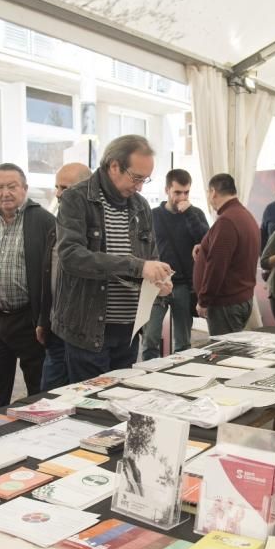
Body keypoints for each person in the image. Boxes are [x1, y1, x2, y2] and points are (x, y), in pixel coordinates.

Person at [54, 135, 172, 382]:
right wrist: (138, 267)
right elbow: (71, 256)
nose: (140, 187)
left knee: (119, 404)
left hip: (128, 330)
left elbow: (150, 257)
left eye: (145, 179)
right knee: (91, 409)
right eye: (136, 178)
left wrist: (158, 282)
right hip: (88, 329)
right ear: (114, 166)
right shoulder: (76, 198)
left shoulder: (140, 207)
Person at [0, 163, 56, 407]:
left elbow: (52, 275)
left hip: (29, 321)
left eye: (12, 186)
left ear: (25, 188)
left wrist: (44, 319)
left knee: (37, 390)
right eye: (0, 187)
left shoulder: (43, 221)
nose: (5, 192)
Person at [141, 169, 209, 359]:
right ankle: (149, 378)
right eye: (177, 192)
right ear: (167, 190)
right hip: (157, 284)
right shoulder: (153, 215)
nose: (182, 197)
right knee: (150, 339)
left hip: (183, 286)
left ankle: (180, 379)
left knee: (183, 343)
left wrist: (189, 214)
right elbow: (142, 247)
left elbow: (207, 240)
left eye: (186, 192)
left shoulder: (195, 213)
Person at [40, 162, 92, 390]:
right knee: (49, 395)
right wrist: (43, 319)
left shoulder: (95, 228)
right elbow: (48, 278)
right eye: (57, 187)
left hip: (83, 332)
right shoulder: (56, 225)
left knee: (80, 393)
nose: (58, 194)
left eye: (65, 188)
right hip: (55, 328)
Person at [193, 174, 260, 335]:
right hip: (239, 299)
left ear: (213, 192)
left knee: (224, 356)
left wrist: (204, 300)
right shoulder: (244, 215)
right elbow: (235, 253)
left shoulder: (227, 221)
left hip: (226, 304)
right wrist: (203, 248)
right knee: (231, 354)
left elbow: (217, 266)